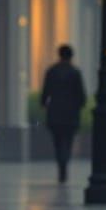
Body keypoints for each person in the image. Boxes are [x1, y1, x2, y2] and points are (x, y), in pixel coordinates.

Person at [40, 44, 86, 183]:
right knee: (68, 141)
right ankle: (64, 164)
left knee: (58, 142)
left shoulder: (52, 71)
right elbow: (81, 95)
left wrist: (44, 104)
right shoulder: (75, 72)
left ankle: (61, 165)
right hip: (71, 113)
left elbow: (45, 92)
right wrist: (79, 106)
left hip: (55, 112)